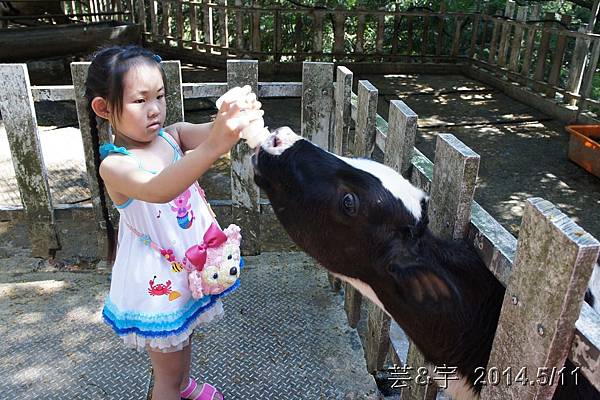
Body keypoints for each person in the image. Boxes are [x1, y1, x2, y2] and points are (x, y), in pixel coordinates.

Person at [85, 45, 263, 400]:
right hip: (158, 282)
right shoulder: (116, 166)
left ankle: (184, 386)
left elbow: (216, 134)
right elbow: (160, 188)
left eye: (160, 96)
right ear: (105, 108)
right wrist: (213, 146)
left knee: (184, 339)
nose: (155, 109)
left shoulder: (172, 136)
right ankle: (174, 388)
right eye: (140, 101)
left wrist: (233, 119)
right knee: (166, 369)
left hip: (187, 266)